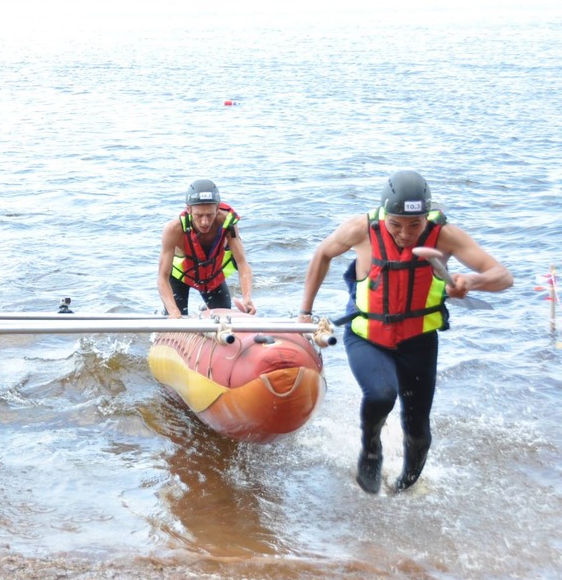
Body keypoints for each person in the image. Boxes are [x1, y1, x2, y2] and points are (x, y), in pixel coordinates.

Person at [298, 170, 511, 494]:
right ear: (385, 214)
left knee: (418, 432)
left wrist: (472, 281)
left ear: (427, 217)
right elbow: (322, 254)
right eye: (396, 224)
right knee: (382, 394)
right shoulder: (362, 229)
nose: (405, 233)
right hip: (368, 336)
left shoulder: (445, 236)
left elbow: (502, 276)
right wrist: (304, 313)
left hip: (418, 341)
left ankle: (406, 487)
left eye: (415, 225)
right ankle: (371, 451)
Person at [157, 179, 255, 318]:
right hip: (181, 276)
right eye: (199, 215)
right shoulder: (173, 229)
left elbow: (242, 263)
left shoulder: (227, 223)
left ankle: (205, 312)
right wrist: (174, 312)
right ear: (189, 209)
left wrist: (247, 298)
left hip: (211, 277)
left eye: (210, 215)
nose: (205, 222)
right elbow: (162, 276)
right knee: (176, 318)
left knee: (224, 319)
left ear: (217, 208)